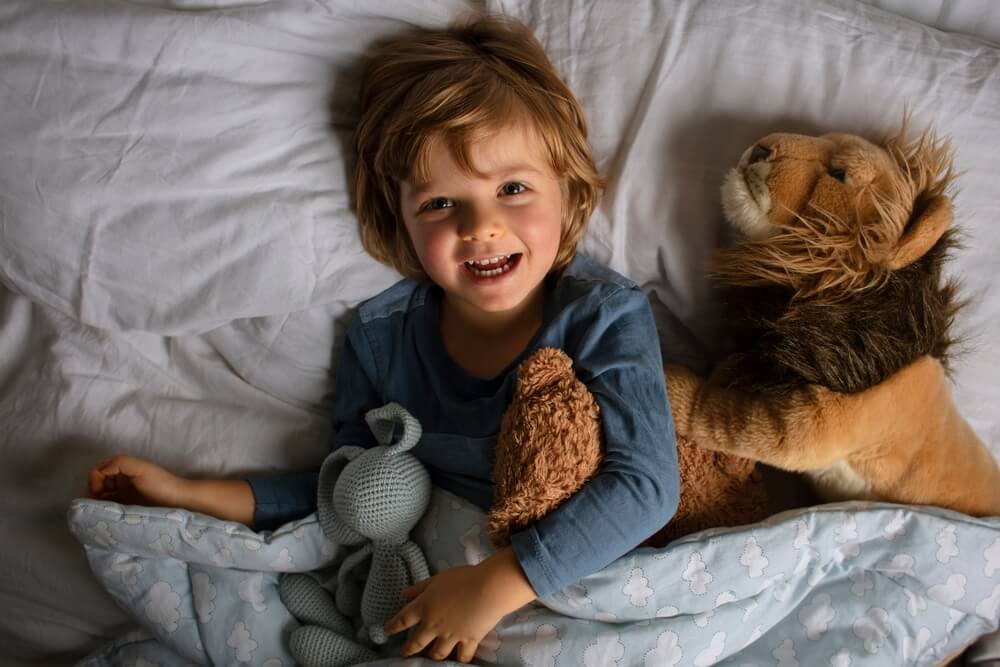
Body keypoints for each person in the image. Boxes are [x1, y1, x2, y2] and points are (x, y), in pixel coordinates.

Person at [87, 14, 679, 663]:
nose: (481, 225)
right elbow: (348, 489)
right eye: (439, 203)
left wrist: (494, 585)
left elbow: (645, 486)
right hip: (428, 593)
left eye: (513, 188)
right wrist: (191, 494)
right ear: (396, 217)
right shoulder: (379, 339)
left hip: (548, 583)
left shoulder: (601, 315)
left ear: (565, 190)